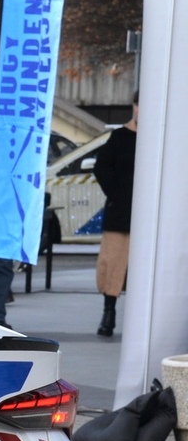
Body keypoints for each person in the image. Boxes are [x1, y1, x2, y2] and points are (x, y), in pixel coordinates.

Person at [93, 91, 137, 337]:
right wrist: (116, 193)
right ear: (135, 106)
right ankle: (109, 313)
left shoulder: (158, 137)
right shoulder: (119, 137)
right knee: (112, 264)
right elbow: (101, 167)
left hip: (149, 217)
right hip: (120, 212)